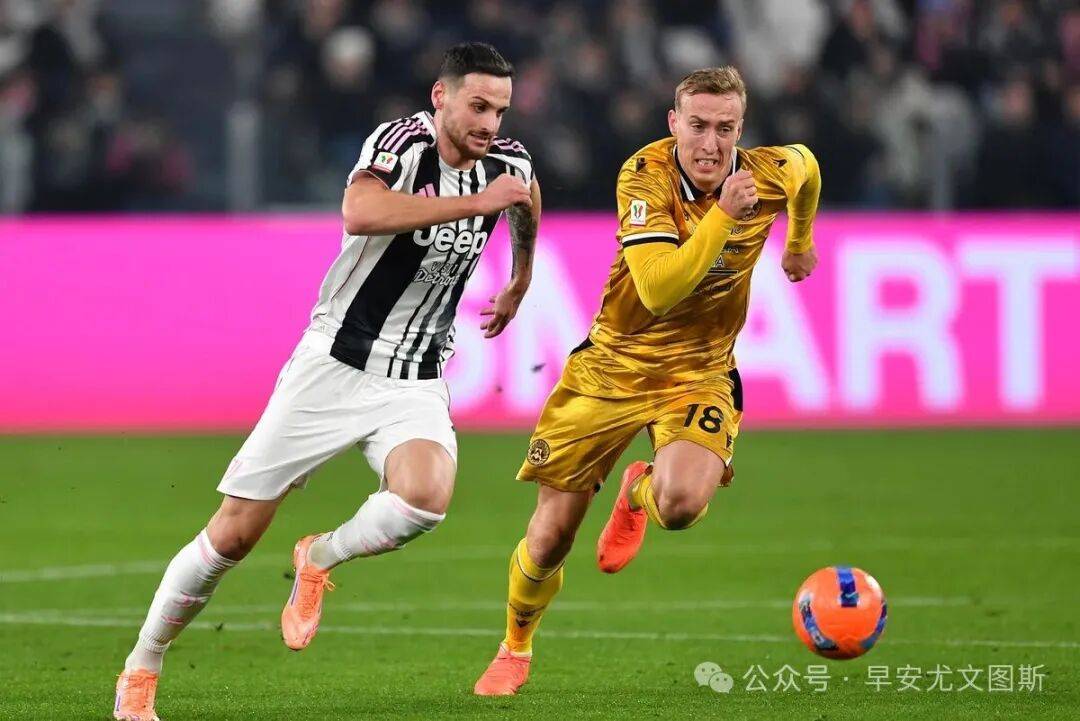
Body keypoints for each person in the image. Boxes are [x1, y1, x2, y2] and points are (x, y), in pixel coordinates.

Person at [113, 42, 541, 721]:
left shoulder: (508, 164)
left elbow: (524, 200)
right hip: (334, 366)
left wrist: (519, 276)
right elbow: (360, 212)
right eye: (478, 106)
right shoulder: (402, 144)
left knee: (424, 501)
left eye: (500, 111)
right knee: (232, 536)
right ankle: (143, 664)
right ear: (441, 97)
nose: (489, 123)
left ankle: (319, 556)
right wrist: (473, 205)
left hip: (415, 377)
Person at [472, 65, 820, 696]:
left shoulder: (766, 171)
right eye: (698, 126)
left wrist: (799, 240)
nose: (711, 144)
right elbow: (658, 290)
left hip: (700, 370)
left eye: (726, 128)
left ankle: (639, 492)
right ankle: (515, 646)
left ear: (742, 128)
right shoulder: (644, 176)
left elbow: (807, 169)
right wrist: (724, 217)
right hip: (614, 365)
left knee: (681, 506)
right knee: (550, 538)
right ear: (673, 123)